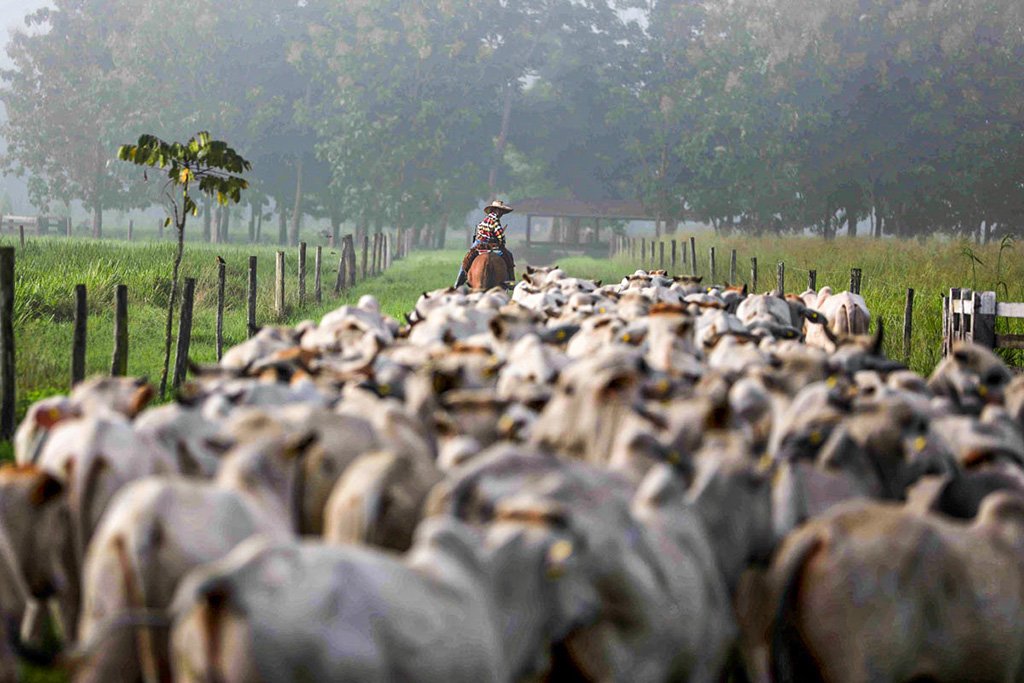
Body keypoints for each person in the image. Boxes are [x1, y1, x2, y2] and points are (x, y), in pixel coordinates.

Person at [455, 200, 516, 287]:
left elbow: (479, 233)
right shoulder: (495, 221)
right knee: (509, 256)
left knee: (467, 259)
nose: (502, 213)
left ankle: (458, 283)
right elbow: (500, 236)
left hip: (479, 243)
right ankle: (511, 282)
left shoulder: (484, 220)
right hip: (493, 245)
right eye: (501, 211)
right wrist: (502, 241)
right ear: (497, 210)